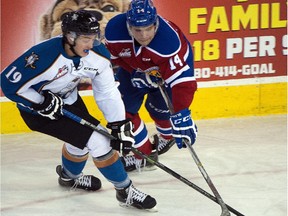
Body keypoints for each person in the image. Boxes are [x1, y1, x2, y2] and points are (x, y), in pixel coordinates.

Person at [1, 10, 157, 211]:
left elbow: (107, 91)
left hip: (69, 101)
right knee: (100, 141)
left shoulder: (98, 54)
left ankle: (68, 177)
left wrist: (119, 124)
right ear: (70, 37)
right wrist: (40, 102)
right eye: (86, 39)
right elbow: (8, 84)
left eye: (94, 38)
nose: (91, 44)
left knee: (81, 144)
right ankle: (125, 191)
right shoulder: (43, 55)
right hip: (37, 111)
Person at [104, 0, 198, 172]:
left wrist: (182, 113)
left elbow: (183, 83)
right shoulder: (115, 30)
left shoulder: (169, 42)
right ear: (128, 25)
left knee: (159, 110)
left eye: (148, 28)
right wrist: (134, 72)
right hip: (133, 70)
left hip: (166, 75)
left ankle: (167, 136)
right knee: (122, 112)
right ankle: (144, 155)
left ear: (156, 23)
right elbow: (115, 58)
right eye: (137, 30)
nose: (144, 35)